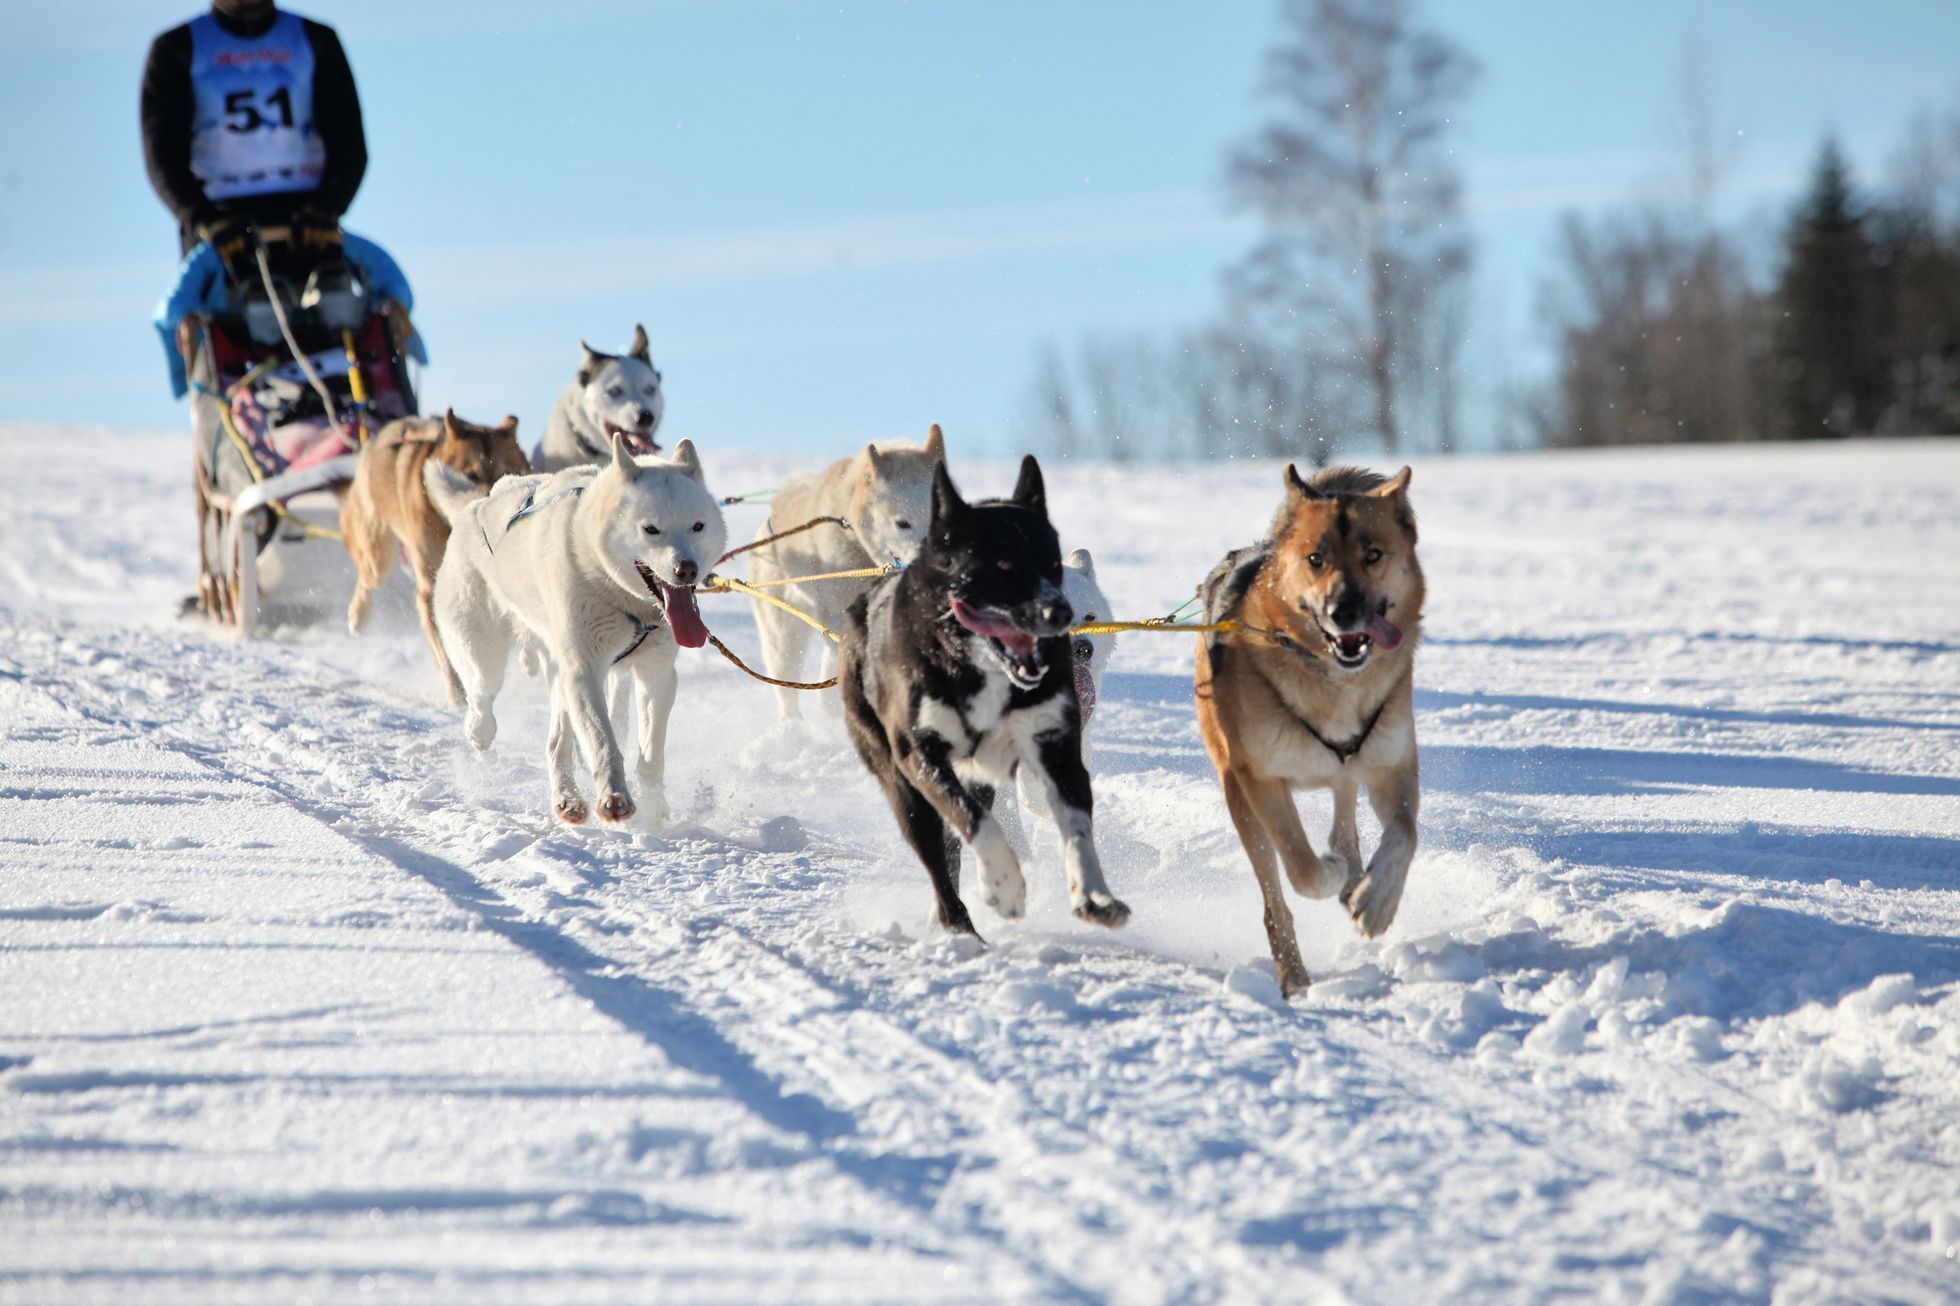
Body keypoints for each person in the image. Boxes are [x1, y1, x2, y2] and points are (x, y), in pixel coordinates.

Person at [140, 0, 366, 266]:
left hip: (307, 228)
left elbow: (349, 144)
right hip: (220, 231)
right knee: (199, 304)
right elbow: (163, 155)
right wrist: (204, 218)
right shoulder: (177, 47)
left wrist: (326, 208)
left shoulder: (315, 39)